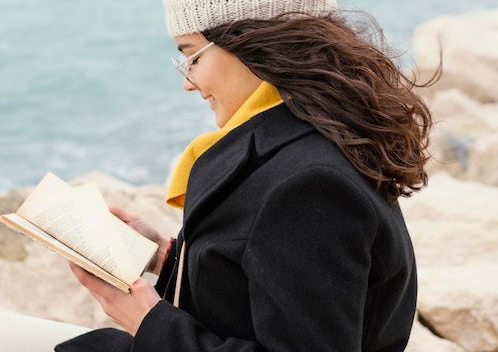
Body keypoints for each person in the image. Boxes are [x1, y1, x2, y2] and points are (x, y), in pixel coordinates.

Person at [56, 0, 437, 351]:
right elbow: (262, 285)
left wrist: (146, 320)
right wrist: (166, 256)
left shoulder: (310, 185)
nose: (188, 83)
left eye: (192, 58)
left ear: (253, 44)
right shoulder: (315, 136)